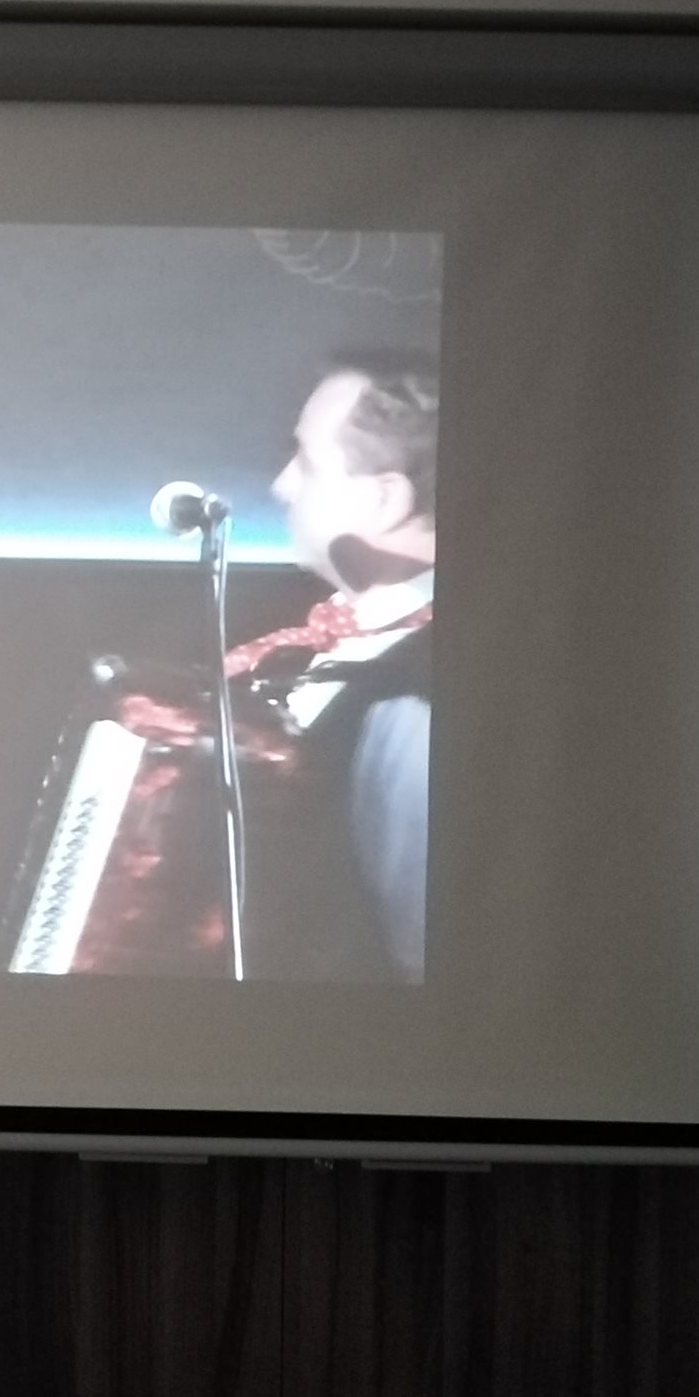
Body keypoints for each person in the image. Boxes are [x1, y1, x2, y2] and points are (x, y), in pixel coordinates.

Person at [247, 349, 437, 980]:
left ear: (384, 500)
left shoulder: (416, 701)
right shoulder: (350, 648)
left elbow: (415, 961)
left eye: (306, 463)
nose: (281, 485)